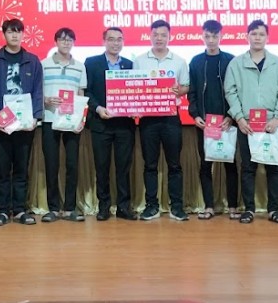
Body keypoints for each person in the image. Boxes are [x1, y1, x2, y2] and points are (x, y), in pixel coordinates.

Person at [224, 19, 278, 224]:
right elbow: (230, 92)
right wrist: (239, 118)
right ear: (247, 36)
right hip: (247, 125)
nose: (257, 38)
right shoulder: (236, 64)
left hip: (271, 124)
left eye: (261, 34)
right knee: (248, 168)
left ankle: (273, 209)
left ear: (267, 37)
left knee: (274, 168)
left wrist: (277, 116)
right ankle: (249, 209)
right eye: (253, 34)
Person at [0, 18, 44, 225]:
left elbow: (38, 90)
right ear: (4, 34)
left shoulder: (33, 60)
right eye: (10, 32)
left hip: (25, 124)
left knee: (21, 168)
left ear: (23, 34)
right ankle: (2, 211)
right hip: (0, 123)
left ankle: (19, 210)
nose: (14, 35)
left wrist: (36, 117)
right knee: (2, 169)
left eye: (18, 32)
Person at [135, 19, 191, 221]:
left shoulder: (179, 61)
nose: (159, 38)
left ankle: (176, 207)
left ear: (169, 37)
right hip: (148, 119)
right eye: (156, 34)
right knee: (150, 164)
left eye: (163, 35)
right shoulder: (139, 61)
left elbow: (186, 86)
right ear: (150, 36)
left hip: (170, 117)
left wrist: (179, 90)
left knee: (174, 164)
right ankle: (151, 206)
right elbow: (133, 87)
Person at [187, 20, 237, 219]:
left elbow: (237, 91)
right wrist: (195, 115)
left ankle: (232, 206)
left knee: (230, 164)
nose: (211, 40)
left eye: (215, 36)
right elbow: (191, 92)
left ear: (221, 36)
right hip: (205, 123)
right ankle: (209, 206)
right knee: (206, 164)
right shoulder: (196, 61)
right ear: (202, 36)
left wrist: (231, 116)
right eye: (207, 36)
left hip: (227, 122)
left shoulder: (231, 60)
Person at [85, 27, 136, 221]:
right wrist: (98, 108)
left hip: (124, 125)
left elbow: (136, 91)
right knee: (102, 167)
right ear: (104, 41)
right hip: (101, 123)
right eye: (112, 39)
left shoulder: (130, 65)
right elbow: (87, 91)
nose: (116, 43)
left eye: (119, 39)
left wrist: (137, 107)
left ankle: (123, 207)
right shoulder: (92, 63)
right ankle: (104, 207)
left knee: (124, 168)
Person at [40, 27, 88, 222]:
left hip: (72, 122)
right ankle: (52, 208)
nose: (66, 43)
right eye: (62, 39)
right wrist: (45, 100)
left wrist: (82, 119)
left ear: (73, 43)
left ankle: (69, 208)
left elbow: (81, 95)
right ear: (56, 42)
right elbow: (37, 91)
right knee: (51, 164)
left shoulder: (80, 66)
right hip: (49, 119)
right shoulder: (43, 64)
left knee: (72, 164)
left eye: (69, 40)